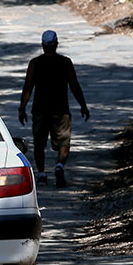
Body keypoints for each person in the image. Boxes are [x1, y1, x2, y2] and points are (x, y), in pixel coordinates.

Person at [18, 30, 89, 187]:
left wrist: (22, 107)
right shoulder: (65, 62)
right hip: (61, 109)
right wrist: (83, 105)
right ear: (56, 44)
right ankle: (59, 166)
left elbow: (28, 86)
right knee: (64, 142)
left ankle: (42, 175)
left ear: (42, 45)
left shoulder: (35, 63)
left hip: (40, 109)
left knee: (39, 143)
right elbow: (74, 85)